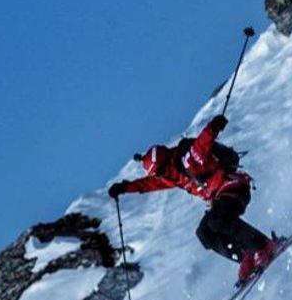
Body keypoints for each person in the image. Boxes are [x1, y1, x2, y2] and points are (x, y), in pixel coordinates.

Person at [109, 114, 281, 284]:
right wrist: (124, 188)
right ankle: (245, 256)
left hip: (233, 187)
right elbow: (148, 184)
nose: (159, 176)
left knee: (217, 221)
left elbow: (201, 144)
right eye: (157, 174)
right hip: (220, 197)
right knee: (204, 233)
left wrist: (214, 127)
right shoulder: (172, 176)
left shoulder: (188, 160)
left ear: (165, 161)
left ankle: (263, 245)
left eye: (159, 171)